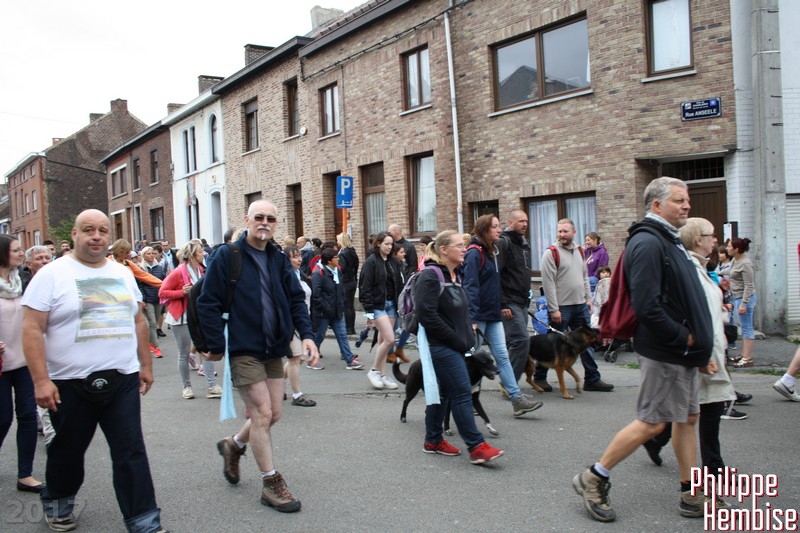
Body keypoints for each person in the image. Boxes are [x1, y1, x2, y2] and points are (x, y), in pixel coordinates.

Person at [572, 177, 715, 523]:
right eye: (679, 200)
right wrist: (684, 338)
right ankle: (593, 477)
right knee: (652, 423)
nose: (686, 205)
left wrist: (700, 348)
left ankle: (690, 493)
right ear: (657, 205)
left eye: (687, 199)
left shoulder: (669, 240)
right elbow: (647, 306)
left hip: (682, 352)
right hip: (666, 351)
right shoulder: (649, 243)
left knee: (687, 418)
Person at [21, 209, 168, 533]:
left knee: (130, 451)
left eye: (102, 230)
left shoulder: (122, 273)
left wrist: (144, 365)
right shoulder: (51, 275)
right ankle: (58, 503)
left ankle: (144, 521)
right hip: (69, 382)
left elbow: (138, 320)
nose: (96, 236)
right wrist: (41, 381)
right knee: (68, 451)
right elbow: (31, 328)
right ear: (75, 235)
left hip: (122, 379)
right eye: (88, 230)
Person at [200, 200, 319, 513]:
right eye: (259, 217)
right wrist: (216, 344)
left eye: (270, 218)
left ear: (276, 223)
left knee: (273, 414)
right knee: (262, 413)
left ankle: (234, 444)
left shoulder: (277, 259)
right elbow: (208, 301)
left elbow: (295, 300)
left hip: (274, 348)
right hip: (244, 349)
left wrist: (307, 335)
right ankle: (271, 483)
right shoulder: (228, 256)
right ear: (247, 220)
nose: (264, 222)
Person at [642, 218, 738, 493]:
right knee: (700, 409)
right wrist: (702, 352)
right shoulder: (690, 269)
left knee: (694, 409)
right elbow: (690, 314)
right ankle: (710, 469)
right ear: (698, 239)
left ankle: (659, 441)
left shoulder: (701, 267)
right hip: (702, 352)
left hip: (710, 348)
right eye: (712, 235)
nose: (716, 240)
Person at [415, 230, 504, 464]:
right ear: (444, 250)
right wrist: (456, 339)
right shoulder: (430, 276)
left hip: (456, 345)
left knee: (445, 393)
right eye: (459, 245)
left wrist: (467, 337)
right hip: (440, 346)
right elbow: (427, 316)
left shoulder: (456, 275)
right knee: (463, 393)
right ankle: (476, 446)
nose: (465, 248)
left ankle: (433, 440)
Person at [462, 214, 542, 417]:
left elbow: (495, 283)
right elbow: (471, 286)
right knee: (474, 360)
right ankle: (467, 401)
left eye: (499, 226)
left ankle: (516, 399)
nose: (499, 230)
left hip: (493, 313)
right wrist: (472, 318)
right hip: (479, 316)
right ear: (484, 230)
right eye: (495, 227)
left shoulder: (490, 251)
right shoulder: (474, 253)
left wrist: (500, 304)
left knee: (503, 356)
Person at [535, 219, 613, 393]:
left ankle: (592, 379)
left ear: (574, 232)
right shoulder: (551, 253)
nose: (562, 235)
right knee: (551, 343)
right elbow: (548, 283)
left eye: (565, 231)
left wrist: (588, 298)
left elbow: (584, 276)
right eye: (560, 231)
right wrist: (553, 308)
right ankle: (539, 377)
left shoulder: (579, 251)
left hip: (580, 305)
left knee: (587, 342)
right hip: (561, 308)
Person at [1, 235, 45, 493]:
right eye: (16, 250)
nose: (21, 253)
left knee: (28, 416)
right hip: (1, 365)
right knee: (3, 418)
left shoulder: (24, 281)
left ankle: (25, 475)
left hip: (24, 361)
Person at [159, 240, 221, 399]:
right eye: (200, 252)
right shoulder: (178, 272)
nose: (203, 253)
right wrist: (181, 292)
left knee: (206, 349)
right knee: (184, 353)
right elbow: (162, 292)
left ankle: (212, 386)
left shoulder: (201, 270)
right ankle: (186, 387)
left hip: (199, 316)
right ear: (193, 255)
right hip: (181, 317)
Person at [358, 231, 403, 390]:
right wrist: (369, 312)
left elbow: (398, 284)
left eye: (391, 244)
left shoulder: (393, 262)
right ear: (378, 244)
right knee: (390, 340)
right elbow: (365, 287)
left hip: (392, 304)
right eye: (386, 244)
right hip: (377, 306)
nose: (389, 247)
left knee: (383, 341)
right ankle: (374, 371)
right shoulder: (371, 262)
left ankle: (382, 375)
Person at [283, 246, 324, 406]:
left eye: (299, 255)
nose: (299, 259)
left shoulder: (300, 274)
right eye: (294, 256)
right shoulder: (284, 276)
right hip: (291, 323)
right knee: (295, 357)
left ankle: (276, 385)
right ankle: (297, 395)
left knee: (298, 359)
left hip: (303, 321)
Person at [312, 248, 363, 370]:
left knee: (342, 335)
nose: (339, 259)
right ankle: (311, 358)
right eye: (336, 257)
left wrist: (342, 302)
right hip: (324, 313)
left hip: (337, 311)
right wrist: (325, 308)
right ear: (329, 260)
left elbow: (341, 289)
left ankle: (349, 360)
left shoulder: (337, 271)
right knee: (319, 336)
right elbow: (316, 295)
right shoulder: (318, 274)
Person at [497, 209, 533, 381]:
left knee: (514, 342)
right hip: (509, 301)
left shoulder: (524, 243)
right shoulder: (503, 242)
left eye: (526, 221)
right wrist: (502, 303)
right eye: (520, 221)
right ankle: (510, 384)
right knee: (521, 340)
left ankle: (509, 382)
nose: (524, 224)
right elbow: (495, 274)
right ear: (510, 222)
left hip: (522, 301)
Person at [727, 237, 757, 368]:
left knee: (747, 328)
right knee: (744, 327)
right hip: (738, 298)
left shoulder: (745, 264)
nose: (727, 248)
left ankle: (747, 358)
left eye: (729, 246)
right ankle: (745, 354)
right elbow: (731, 271)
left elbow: (749, 286)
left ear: (736, 249)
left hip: (745, 299)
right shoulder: (735, 260)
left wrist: (744, 304)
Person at [139, 246, 167, 358]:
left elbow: (163, 281)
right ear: (144, 256)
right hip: (148, 299)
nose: (151, 255)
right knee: (152, 323)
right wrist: (143, 298)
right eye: (148, 253)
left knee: (154, 322)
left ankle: (150, 342)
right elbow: (140, 285)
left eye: (152, 253)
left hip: (158, 298)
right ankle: (156, 347)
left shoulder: (159, 267)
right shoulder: (141, 269)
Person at [336, 232, 359, 335]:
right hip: (352, 280)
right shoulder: (352, 251)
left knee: (347, 305)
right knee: (350, 305)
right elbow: (356, 265)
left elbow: (342, 268)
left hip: (346, 281)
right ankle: (351, 328)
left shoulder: (343, 253)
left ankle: (349, 328)